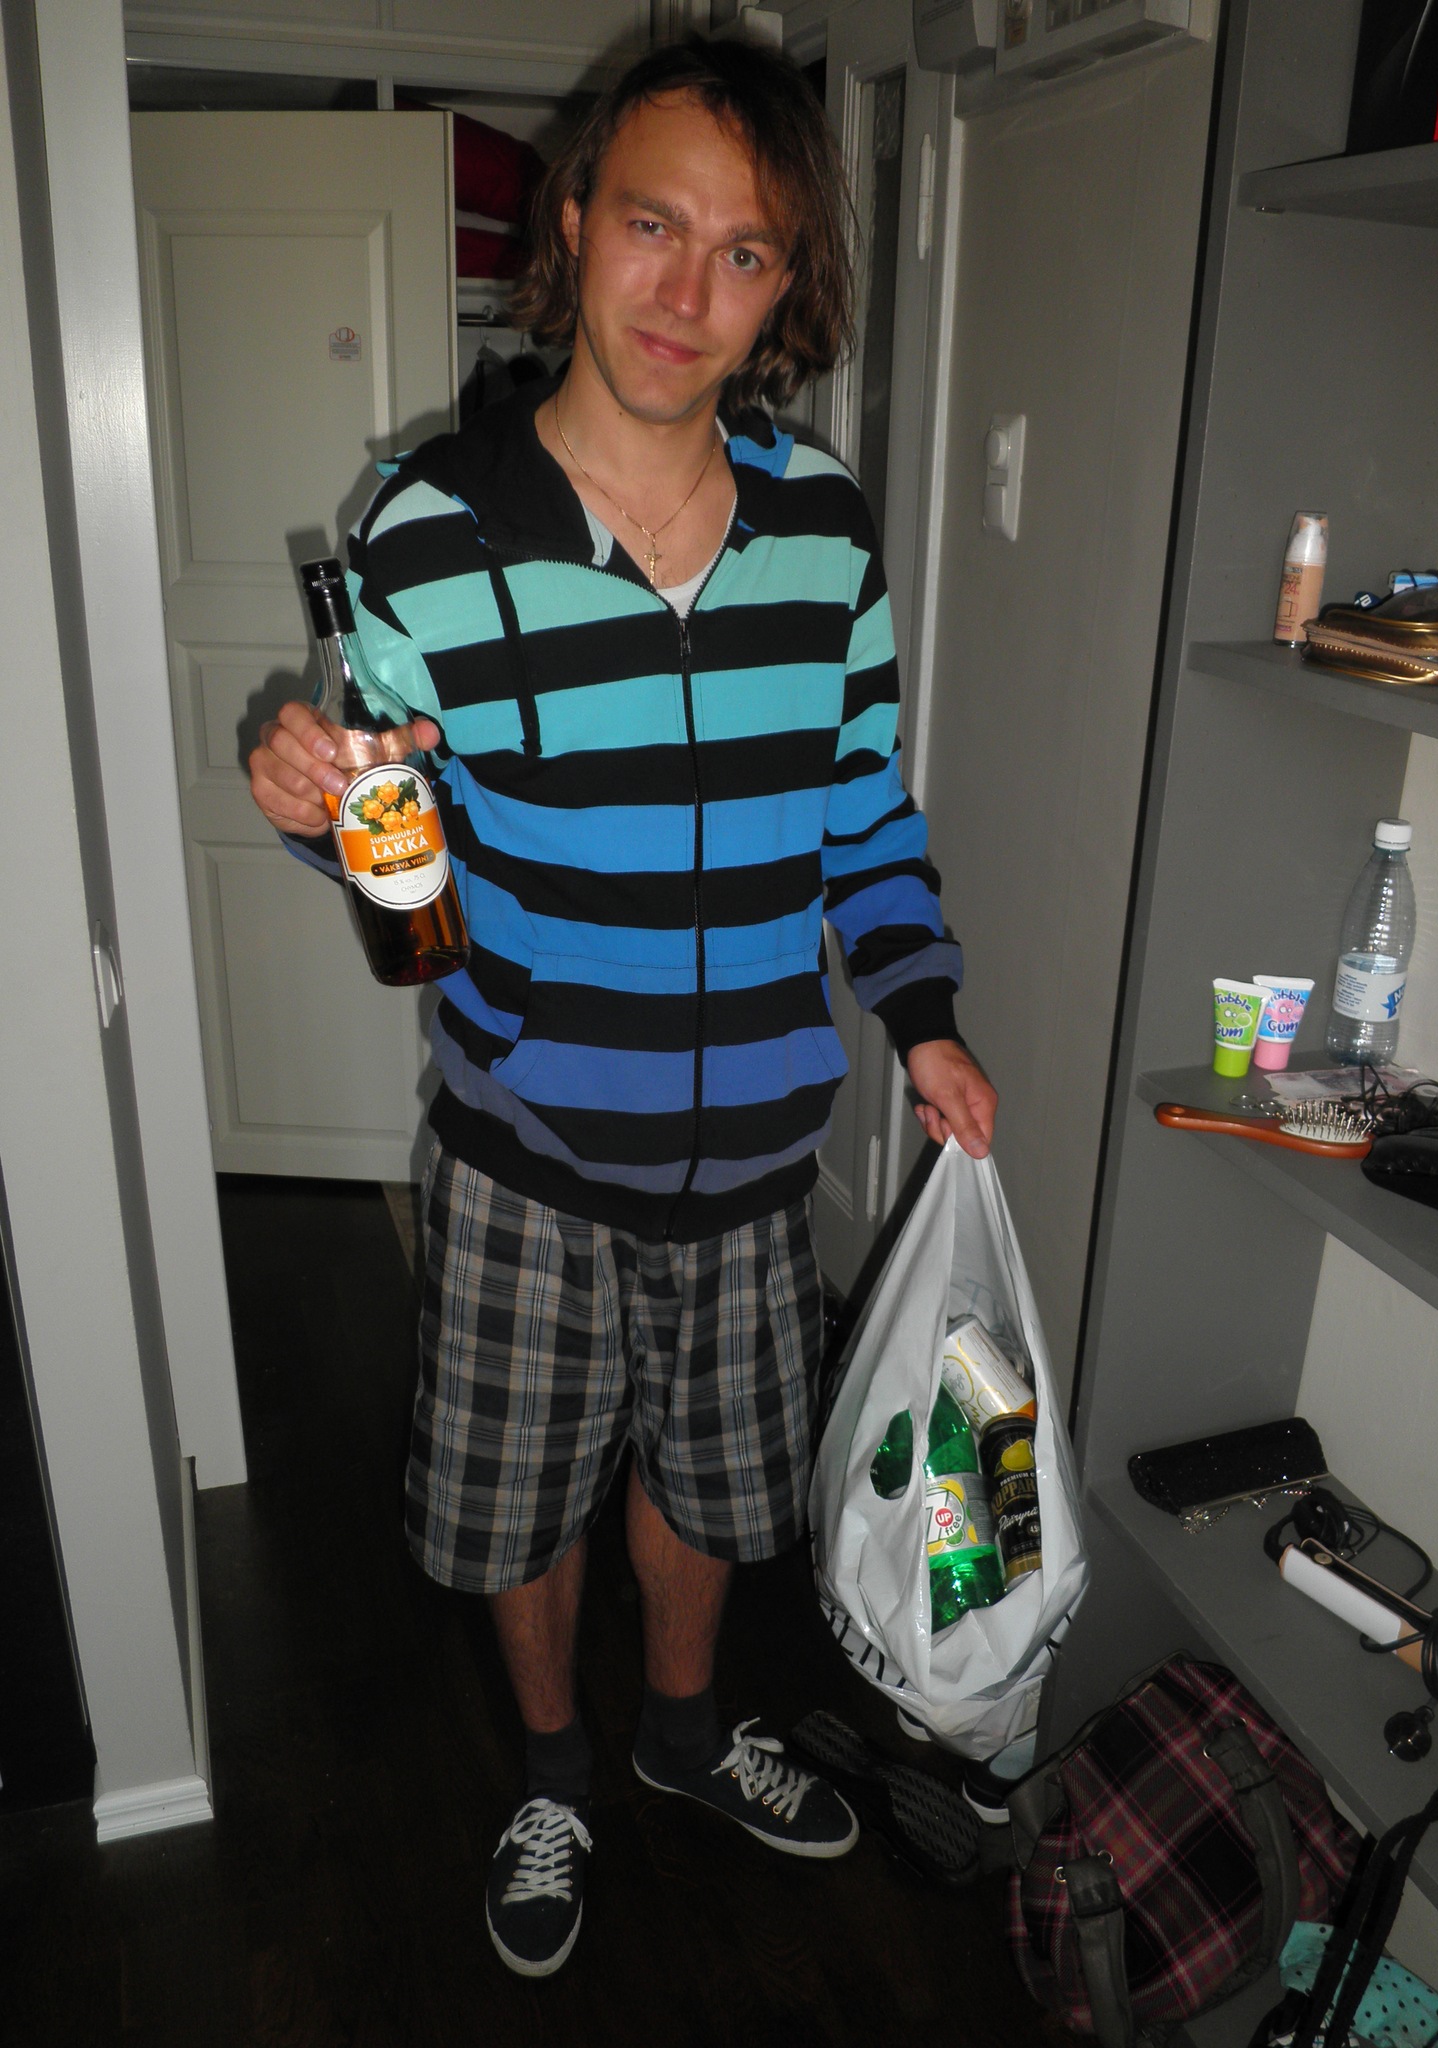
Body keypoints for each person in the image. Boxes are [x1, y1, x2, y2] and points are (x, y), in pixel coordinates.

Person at [248, 34, 997, 1981]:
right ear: (573, 223)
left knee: (716, 1492)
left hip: (753, 1158)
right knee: (518, 1508)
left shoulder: (826, 532)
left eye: (744, 253)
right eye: (654, 225)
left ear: (786, 282)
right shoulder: (426, 531)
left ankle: (678, 1729)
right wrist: (318, 797)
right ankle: (558, 1771)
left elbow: (862, 811)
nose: (688, 292)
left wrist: (919, 1011)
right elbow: (398, 858)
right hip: (525, 1148)